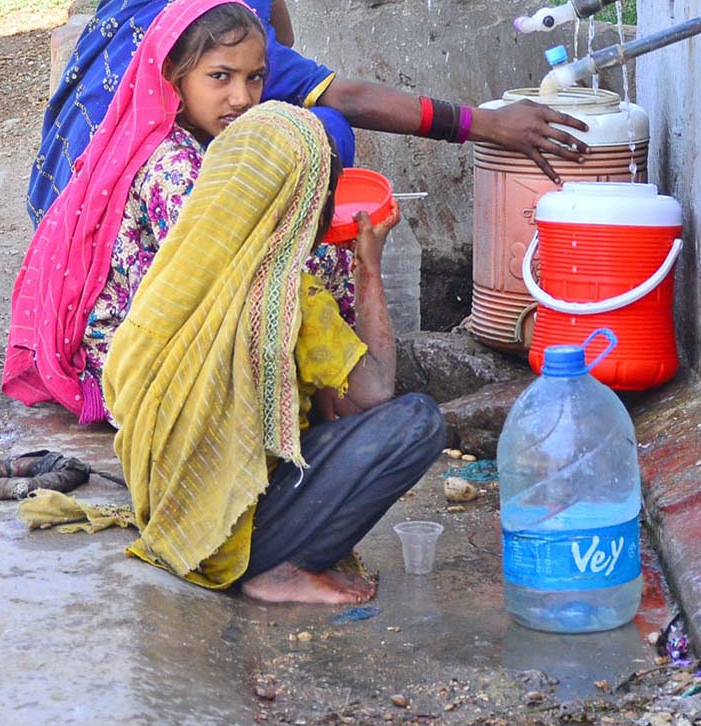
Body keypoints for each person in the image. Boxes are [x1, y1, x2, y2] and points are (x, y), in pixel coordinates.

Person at [29, 0, 592, 226]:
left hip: (72, 225)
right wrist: (484, 125)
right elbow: (342, 95)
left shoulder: (119, 16)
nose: (240, 92)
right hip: (142, 238)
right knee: (325, 128)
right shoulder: (198, 35)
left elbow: (279, 48)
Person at [102, 100, 446, 603]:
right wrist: (369, 268)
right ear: (304, 206)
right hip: (237, 538)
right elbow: (375, 396)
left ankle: (265, 552)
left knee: (328, 411)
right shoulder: (288, 300)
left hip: (175, 518)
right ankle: (280, 570)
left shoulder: (172, 279)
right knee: (418, 421)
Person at [5, 0, 354, 425]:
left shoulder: (200, 140)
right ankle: (321, 405)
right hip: (138, 367)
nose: (242, 98)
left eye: (255, 78)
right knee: (320, 259)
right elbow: (216, 271)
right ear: (173, 75)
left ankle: (323, 400)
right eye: (221, 77)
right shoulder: (171, 161)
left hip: (159, 331)